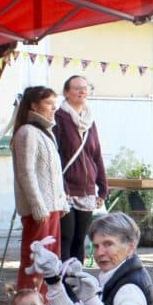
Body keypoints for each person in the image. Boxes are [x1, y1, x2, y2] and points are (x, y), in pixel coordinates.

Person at [12, 86, 69, 294]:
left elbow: (53, 175)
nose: (54, 107)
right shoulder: (27, 133)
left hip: (51, 208)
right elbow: (25, 172)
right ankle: (29, 302)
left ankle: (45, 302)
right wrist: (37, 204)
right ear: (34, 105)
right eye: (48, 103)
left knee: (51, 258)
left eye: (55, 103)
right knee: (35, 258)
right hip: (39, 211)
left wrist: (61, 202)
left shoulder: (46, 134)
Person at [55, 75, 108, 264]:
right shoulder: (59, 118)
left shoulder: (90, 120)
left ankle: (76, 283)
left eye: (85, 88)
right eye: (77, 88)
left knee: (80, 240)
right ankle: (62, 285)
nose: (82, 91)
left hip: (86, 190)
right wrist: (62, 187)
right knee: (66, 238)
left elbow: (96, 155)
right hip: (66, 190)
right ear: (66, 93)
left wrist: (103, 187)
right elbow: (57, 156)